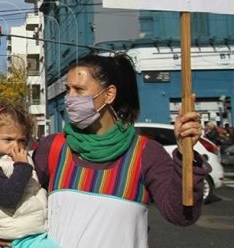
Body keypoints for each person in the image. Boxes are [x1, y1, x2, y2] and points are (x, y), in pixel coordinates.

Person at [20, 53, 208, 248]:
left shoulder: (145, 153)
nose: (70, 98)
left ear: (109, 94)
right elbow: (17, 204)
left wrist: (185, 155)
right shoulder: (54, 148)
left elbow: (180, 215)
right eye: (68, 90)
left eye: (79, 90)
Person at [0, 103, 57, 248]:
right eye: (8, 140)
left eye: (21, 140)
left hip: (31, 231)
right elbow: (6, 197)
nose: (16, 146)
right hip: (20, 236)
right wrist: (22, 167)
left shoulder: (13, 159)